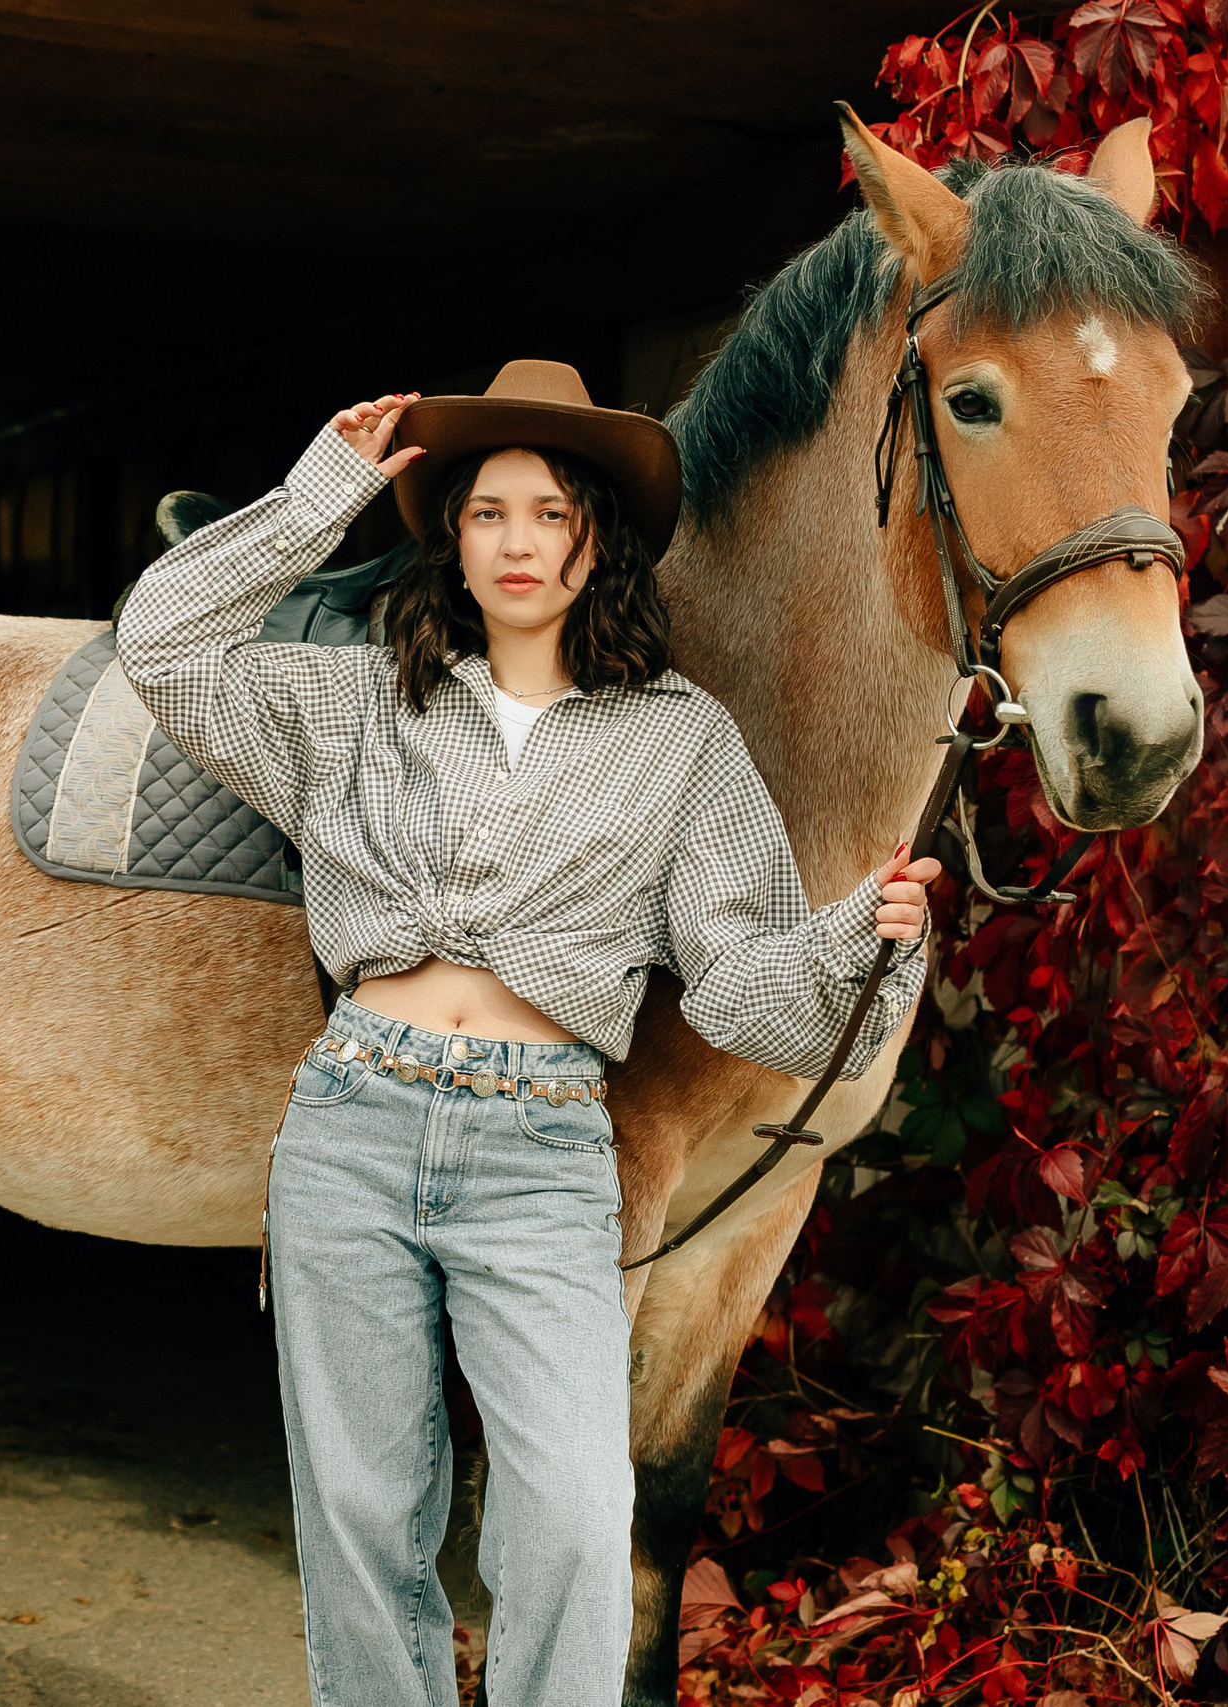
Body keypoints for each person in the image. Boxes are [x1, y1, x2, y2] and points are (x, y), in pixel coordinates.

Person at [116, 360, 939, 1707]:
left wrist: (865, 942)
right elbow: (168, 644)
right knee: (366, 1519)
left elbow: (742, 993)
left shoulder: (680, 744)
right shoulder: (350, 704)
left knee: (566, 1512)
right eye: (488, 511)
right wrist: (317, 497)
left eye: (550, 514)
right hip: (354, 1128)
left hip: (543, 1148)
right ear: (451, 534)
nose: (517, 542)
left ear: (595, 539)